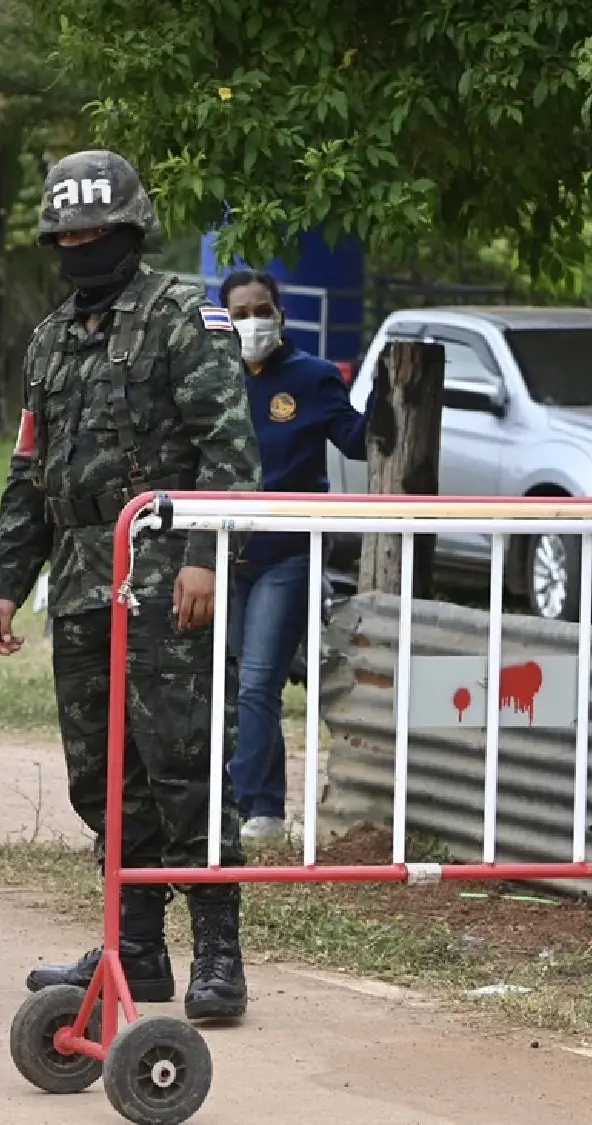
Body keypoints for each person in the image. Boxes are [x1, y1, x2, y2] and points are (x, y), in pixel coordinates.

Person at [0, 150, 261, 1022]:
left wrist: (206, 555)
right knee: (103, 774)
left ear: (131, 229)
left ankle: (219, 948)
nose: (79, 247)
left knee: (182, 759)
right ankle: (133, 946)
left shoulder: (184, 315)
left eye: (95, 233)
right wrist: (5, 579)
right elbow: (30, 469)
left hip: (169, 571)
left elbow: (229, 449)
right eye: (65, 236)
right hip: (78, 578)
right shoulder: (50, 338)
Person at [219, 270, 367, 840]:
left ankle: (262, 812)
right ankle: (235, 800)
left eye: (262, 310)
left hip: (287, 555)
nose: (252, 322)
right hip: (224, 553)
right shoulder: (214, 379)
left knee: (259, 682)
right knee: (229, 681)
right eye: (239, 313)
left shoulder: (312, 377)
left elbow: (354, 439)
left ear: (280, 313)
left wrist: (384, 391)